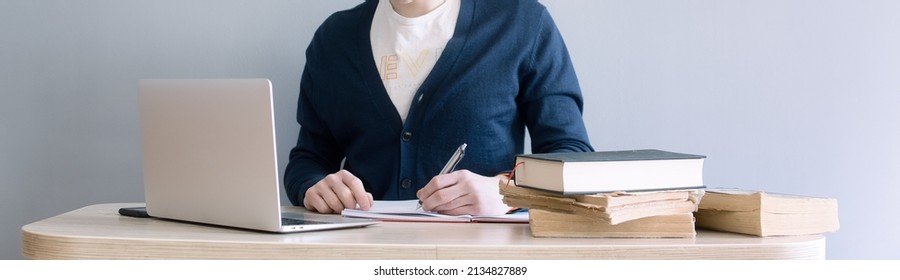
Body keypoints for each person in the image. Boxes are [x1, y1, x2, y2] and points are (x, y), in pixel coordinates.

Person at [284, 0, 593, 216]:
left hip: (484, 256)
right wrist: (314, 187)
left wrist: (507, 191)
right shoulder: (334, 38)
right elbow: (307, 160)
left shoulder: (523, 23)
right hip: (363, 254)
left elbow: (572, 155)